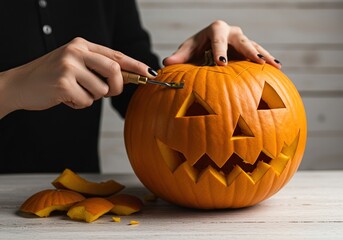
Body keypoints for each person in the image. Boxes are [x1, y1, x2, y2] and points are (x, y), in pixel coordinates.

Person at [0, 0, 281, 173]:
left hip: (78, 202)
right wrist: (12, 87)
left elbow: (141, 94)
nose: (239, 136)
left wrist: (203, 78)